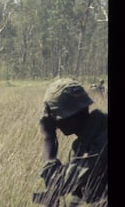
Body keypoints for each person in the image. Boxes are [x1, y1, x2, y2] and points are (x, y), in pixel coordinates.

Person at [34, 78, 107, 206]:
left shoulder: (97, 145)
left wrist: (48, 137)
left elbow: (57, 185)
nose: (53, 122)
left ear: (66, 117)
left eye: (53, 116)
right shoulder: (100, 126)